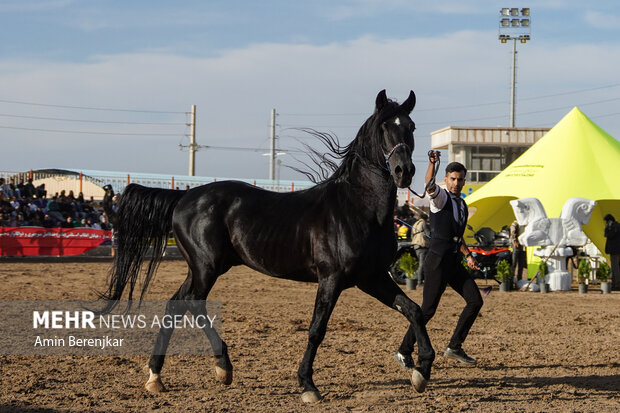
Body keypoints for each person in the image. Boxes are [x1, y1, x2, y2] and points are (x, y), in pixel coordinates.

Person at [395, 151, 482, 370]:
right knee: (427, 310)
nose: (456, 183)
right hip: (436, 261)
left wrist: (468, 255)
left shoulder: (461, 205)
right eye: (453, 179)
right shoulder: (440, 197)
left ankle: (454, 346)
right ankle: (404, 350)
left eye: (460, 179)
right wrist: (432, 163)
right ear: (446, 179)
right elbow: (428, 183)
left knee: (475, 301)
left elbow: (457, 236)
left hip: (453, 261)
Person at [411, 213, 430, 286]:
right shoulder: (423, 223)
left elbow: (412, 236)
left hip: (416, 245)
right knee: (422, 264)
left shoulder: (415, 224)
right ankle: (419, 282)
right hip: (422, 244)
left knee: (421, 263)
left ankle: (420, 280)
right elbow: (428, 233)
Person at [603, 214, 620, 291]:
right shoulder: (618, 226)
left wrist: (607, 229)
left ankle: (617, 284)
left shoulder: (613, 227)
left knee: (615, 268)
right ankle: (615, 283)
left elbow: (608, 235)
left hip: (614, 250)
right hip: (617, 250)